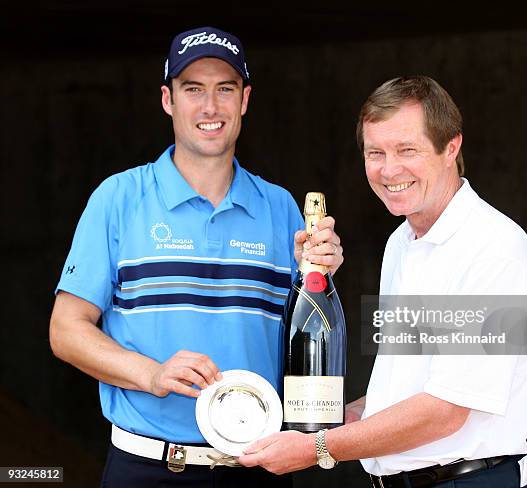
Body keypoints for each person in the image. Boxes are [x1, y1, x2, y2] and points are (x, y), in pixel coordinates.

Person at [49, 26, 343, 488]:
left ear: (244, 100)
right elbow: (65, 330)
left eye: (225, 89)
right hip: (148, 467)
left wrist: (320, 277)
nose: (210, 107)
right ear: (168, 99)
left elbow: (306, 334)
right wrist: (152, 374)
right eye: (193, 89)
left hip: (258, 466)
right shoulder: (118, 198)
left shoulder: (281, 207)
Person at [239, 75, 527, 488]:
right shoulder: (402, 243)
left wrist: (319, 448)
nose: (389, 169)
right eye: (375, 152)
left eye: (407, 150)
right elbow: (407, 388)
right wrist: (335, 418)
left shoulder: (492, 249)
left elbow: (446, 410)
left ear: (451, 147)